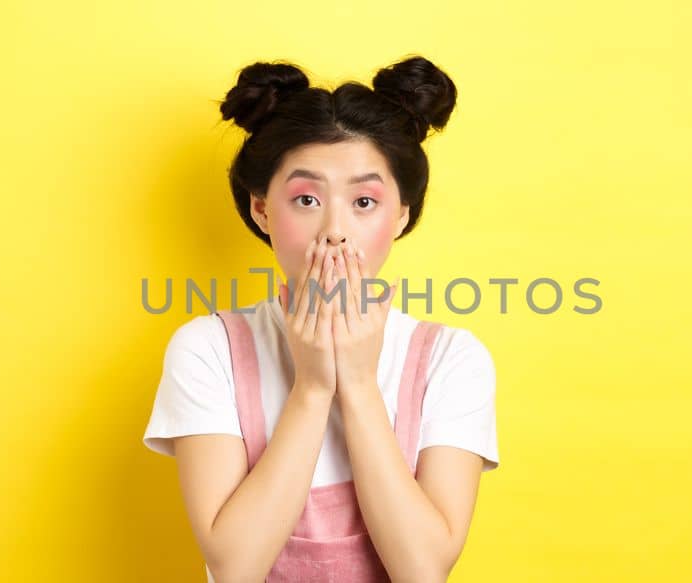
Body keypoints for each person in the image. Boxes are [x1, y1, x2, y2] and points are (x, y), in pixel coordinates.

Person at [142, 55, 499, 582]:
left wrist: (356, 382)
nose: (334, 230)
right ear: (262, 210)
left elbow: (424, 572)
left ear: (401, 214)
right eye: (306, 198)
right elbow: (235, 567)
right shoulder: (208, 349)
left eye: (364, 201)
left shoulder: (451, 358)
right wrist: (312, 386)